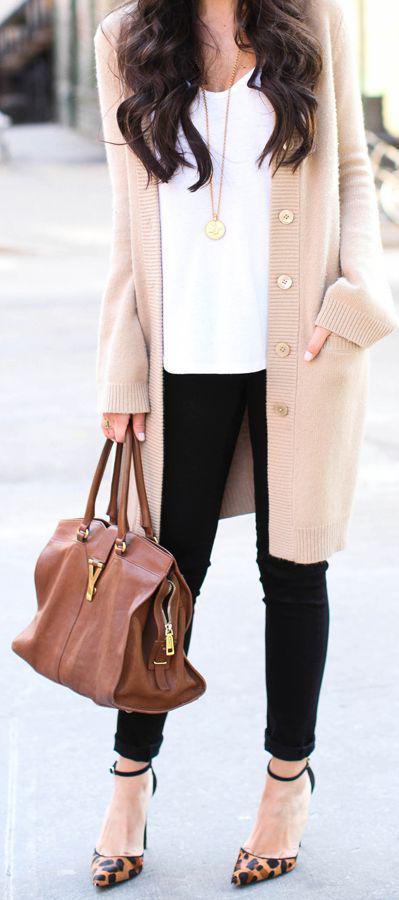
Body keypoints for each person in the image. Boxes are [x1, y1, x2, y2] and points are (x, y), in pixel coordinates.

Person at [91, 0, 398, 888]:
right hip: (179, 354)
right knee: (165, 578)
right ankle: (128, 780)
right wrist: (120, 365)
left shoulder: (314, 20)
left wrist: (358, 299)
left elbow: (349, 171)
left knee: (294, 574)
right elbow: (124, 221)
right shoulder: (124, 40)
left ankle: (283, 786)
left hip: (298, 348)